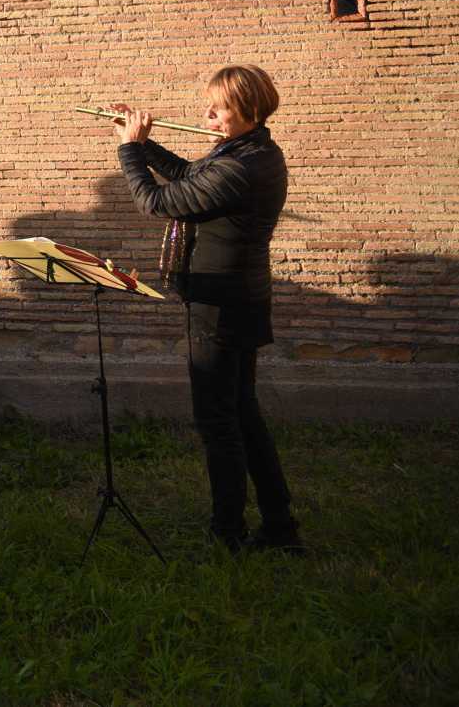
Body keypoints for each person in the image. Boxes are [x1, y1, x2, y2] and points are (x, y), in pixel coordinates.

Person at [110, 65, 303, 553]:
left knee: (219, 422)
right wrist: (146, 142)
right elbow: (189, 175)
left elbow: (157, 202)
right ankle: (281, 529)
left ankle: (229, 535)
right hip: (241, 298)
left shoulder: (239, 167)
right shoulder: (253, 151)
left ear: (249, 110)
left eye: (219, 107)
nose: (207, 114)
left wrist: (129, 152)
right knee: (243, 414)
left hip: (221, 305)